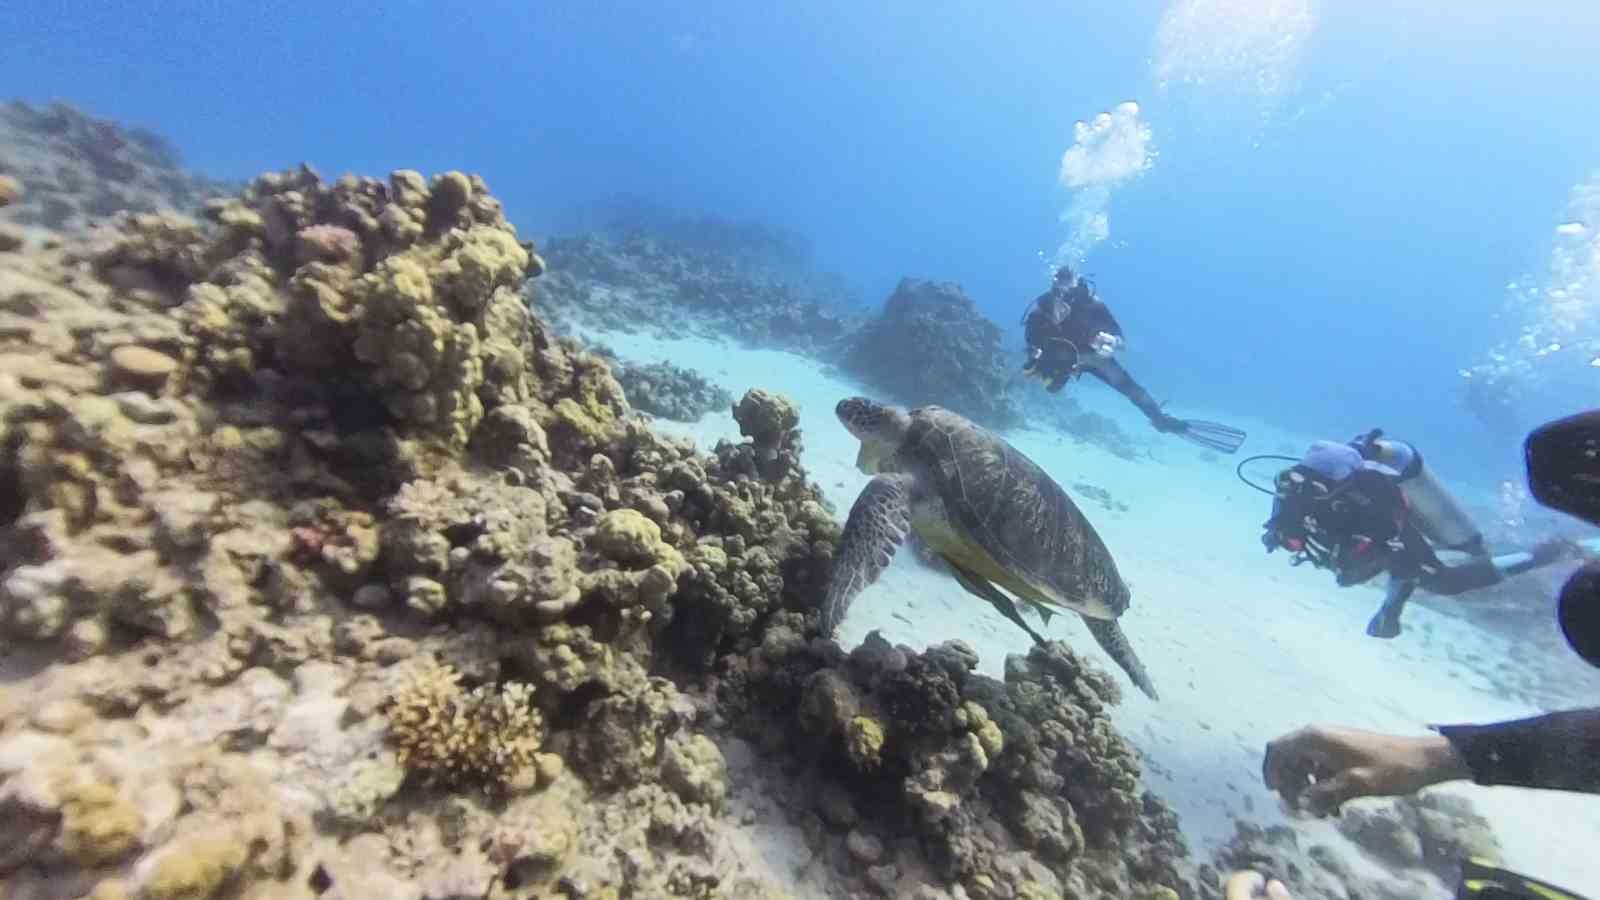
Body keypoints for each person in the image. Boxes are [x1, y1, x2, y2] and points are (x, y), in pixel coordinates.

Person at [1258, 439, 1586, 638]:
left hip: (1394, 535)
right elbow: (1280, 522)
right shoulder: (1295, 486)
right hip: (1359, 539)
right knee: (1354, 572)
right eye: (1305, 482)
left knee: (1444, 582)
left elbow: (1402, 564)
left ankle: (1548, 552)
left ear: (1347, 485)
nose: (1306, 491)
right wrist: (1282, 534)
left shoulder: (1375, 498)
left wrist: (1390, 613)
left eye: (1319, 487)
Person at [1021, 266, 1247, 454]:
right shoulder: (1042, 309)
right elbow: (1032, 339)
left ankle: (1160, 418)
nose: (1064, 297)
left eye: (1068, 288)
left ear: (1076, 284)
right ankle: (1059, 376)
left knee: (1131, 389)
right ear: (1054, 286)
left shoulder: (1093, 304)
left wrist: (1111, 342)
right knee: (1051, 386)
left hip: (1095, 356)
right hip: (1064, 357)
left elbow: (1121, 341)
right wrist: (1036, 357)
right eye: (1059, 289)